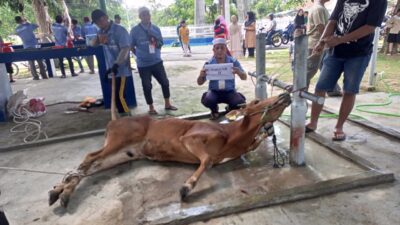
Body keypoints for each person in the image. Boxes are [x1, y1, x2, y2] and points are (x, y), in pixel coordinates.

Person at [306, 0, 387, 141]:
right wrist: (322, 41)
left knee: (349, 90)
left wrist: (340, 40)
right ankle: (313, 122)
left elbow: (370, 27)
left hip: (359, 53)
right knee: (320, 87)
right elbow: (333, 20)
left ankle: (339, 127)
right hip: (335, 52)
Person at [130, 7, 177, 115]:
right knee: (147, 86)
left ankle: (167, 104)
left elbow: (161, 43)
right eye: (143, 14)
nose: (146, 16)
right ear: (139, 16)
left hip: (156, 62)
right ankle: (151, 107)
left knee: (165, 82)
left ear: (150, 15)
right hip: (143, 65)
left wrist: (155, 42)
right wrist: (138, 55)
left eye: (147, 14)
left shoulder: (156, 28)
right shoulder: (134, 31)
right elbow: (131, 46)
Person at [91, 9, 132, 115]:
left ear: (105, 18)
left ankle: (127, 119)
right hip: (111, 69)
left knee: (120, 96)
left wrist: (116, 64)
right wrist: (97, 38)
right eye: (96, 23)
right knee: (115, 96)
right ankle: (123, 119)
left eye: (99, 22)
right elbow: (93, 45)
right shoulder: (101, 32)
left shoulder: (120, 30)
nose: (98, 24)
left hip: (121, 69)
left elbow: (125, 49)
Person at [197, 38, 247, 120]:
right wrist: (201, 75)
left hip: (229, 92)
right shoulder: (209, 63)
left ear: (226, 49)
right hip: (214, 92)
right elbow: (199, 83)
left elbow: (244, 77)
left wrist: (239, 72)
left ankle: (230, 109)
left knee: (239, 102)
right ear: (213, 50)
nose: (220, 50)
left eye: (222, 48)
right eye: (217, 48)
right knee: (208, 100)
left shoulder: (233, 62)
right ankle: (214, 110)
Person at [14, 16, 48, 80]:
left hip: (26, 46)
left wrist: (23, 22)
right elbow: (37, 25)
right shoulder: (28, 25)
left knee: (31, 62)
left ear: (16, 22)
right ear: (22, 19)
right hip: (35, 45)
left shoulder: (17, 29)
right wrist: (27, 21)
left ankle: (35, 76)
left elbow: (20, 33)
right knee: (40, 61)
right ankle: (44, 75)